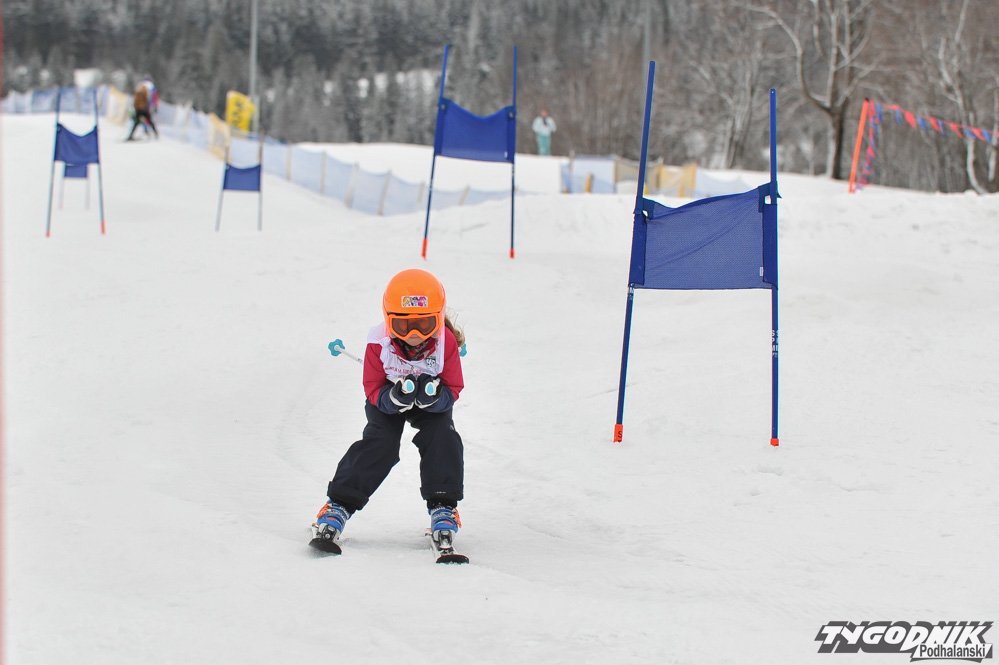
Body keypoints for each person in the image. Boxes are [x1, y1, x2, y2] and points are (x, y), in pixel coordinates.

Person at [312, 268, 466, 549]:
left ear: (438, 318)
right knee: (380, 443)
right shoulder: (378, 342)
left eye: (425, 324)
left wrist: (435, 399)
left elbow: (453, 387)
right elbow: (372, 387)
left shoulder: (446, 342)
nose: (415, 335)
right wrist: (392, 399)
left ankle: (443, 506)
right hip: (387, 400)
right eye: (403, 326)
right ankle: (338, 505)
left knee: (443, 436)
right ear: (388, 320)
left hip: (430, 403)